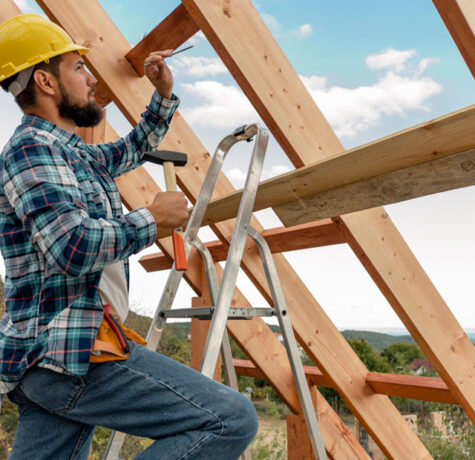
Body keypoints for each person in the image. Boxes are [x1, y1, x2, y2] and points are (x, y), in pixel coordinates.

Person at [0, 13, 258, 460]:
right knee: (228, 419)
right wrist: (151, 220)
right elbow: (71, 246)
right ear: (44, 80)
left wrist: (161, 96)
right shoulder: (30, 151)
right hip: (67, 351)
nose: (91, 78)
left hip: (51, 358)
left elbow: (133, 148)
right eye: (78, 67)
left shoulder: (72, 154)